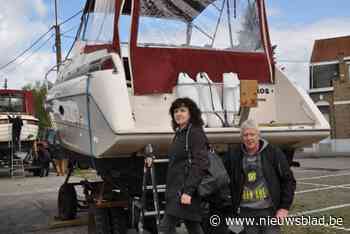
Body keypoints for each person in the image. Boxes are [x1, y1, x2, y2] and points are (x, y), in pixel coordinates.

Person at [224, 119, 296, 234]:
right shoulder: (234, 155)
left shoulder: (273, 153)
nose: (249, 138)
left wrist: (284, 207)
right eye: (245, 135)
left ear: (258, 135)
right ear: (242, 137)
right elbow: (224, 182)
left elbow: (288, 180)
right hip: (244, 212)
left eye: (252, 134)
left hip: (269, 211)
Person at [160, 97, 209, 234]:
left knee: (165, 228)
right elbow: (178, 161)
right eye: (175, 111)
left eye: (183, 110)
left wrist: (188, 191)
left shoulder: (195, 133)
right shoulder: (180, 133)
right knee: (193, 227)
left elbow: (201, 163)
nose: (178, 114)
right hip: (176, 190)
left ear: (191, 113)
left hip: (185, 191)